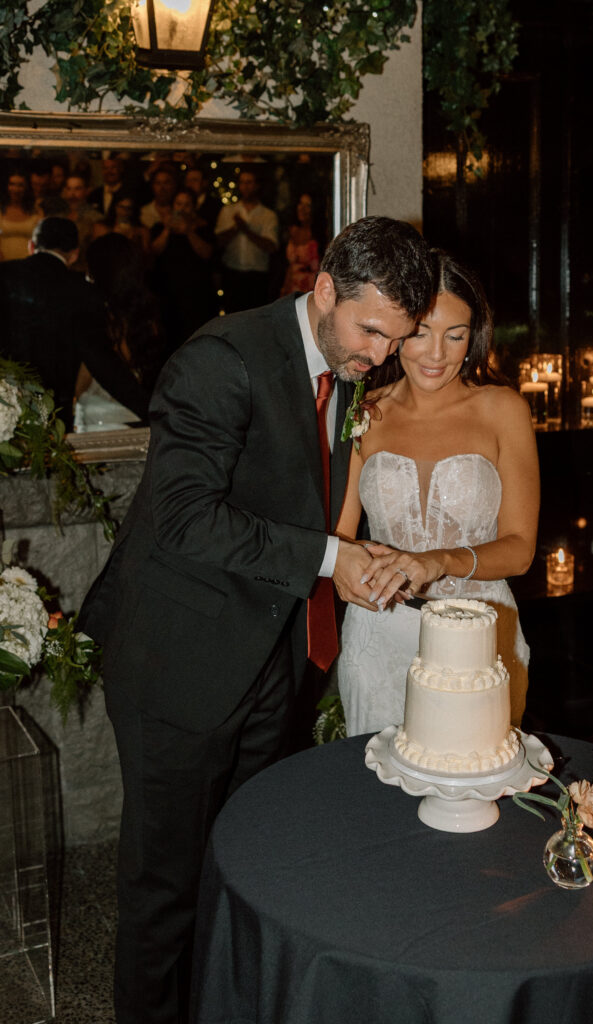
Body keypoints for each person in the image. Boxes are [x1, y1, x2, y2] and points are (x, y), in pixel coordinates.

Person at [77, 215, 435, 1024]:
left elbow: (299, 493)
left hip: (268, 655)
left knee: (240, 864)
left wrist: (353, 555)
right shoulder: (221, 360)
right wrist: (325, 557)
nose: (379, 356)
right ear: (320, 290)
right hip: (178, 660)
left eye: (396, 338)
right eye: (370, 330)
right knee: (162, 888)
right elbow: (179, 516)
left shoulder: (348, 363)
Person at [335, 250, 539, 734]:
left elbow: (520, 549)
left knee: (476, 797)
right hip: (380, 631)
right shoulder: (366, 411)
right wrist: (349, 569)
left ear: (474, 337)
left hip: (483, 633)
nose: (436, 354)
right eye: (421, 333)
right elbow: (338, 537)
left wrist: (439, 560)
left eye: (455, 335)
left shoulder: (503, 410)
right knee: (375, 793)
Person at [0, 217, 150, 427]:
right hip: (53, 414)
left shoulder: (4, 276)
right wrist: (152, 411)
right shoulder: (84, 293)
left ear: (31, 246)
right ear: (74, 254)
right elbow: (100, 361)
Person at [75, 233, 164, 431]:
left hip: (101, 418)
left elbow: (84, 380)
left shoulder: (100, 317)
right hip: (138, 416)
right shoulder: (145, 314)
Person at [149, 187, 217, 355]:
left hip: (195, 295)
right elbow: (154, 251)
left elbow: (207, 253)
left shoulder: (203, 228)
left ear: (194, 207)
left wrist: (188, 231)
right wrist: (167, 228)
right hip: (167, 292)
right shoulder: (160, 227)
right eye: (179, 204)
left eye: (187, 204)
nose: (182, 208)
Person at [215, 166, 279, 312]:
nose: (246, 186)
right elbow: (218, 242)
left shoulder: (268, 215)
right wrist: (235, 228)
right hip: (232, 274)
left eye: (249, 182)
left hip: (257, 277)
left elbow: (271, 247)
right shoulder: (228, 211)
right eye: (243, 182)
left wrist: (246, 230)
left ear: (257, 185)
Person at [280, 191, 322, 296]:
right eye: (300, 204)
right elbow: (290, 267)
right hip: (293, 289)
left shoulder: (320, 235)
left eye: (307, 206)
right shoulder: (292, 231)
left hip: (313, 290)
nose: (302, 209)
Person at [0, 167, 39, 261]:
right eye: (12, 184)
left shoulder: (36, 211)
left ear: (26, 187)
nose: (16, 189)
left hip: (28, 265)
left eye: (20, 185)